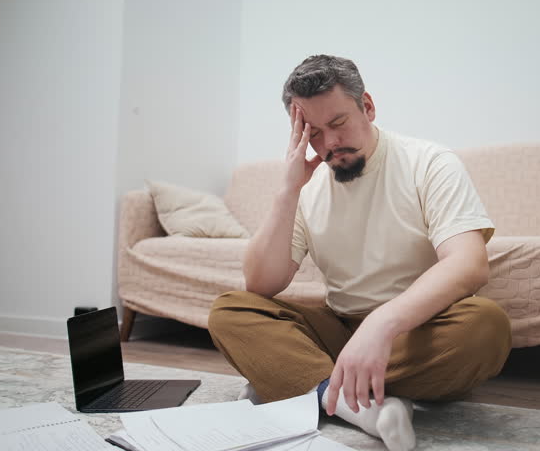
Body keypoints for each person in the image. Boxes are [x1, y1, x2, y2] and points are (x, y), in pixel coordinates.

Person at [208, 55, 511, 451]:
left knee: (486, 326)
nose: (329, 143)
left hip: (414, 332)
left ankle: (301, 383)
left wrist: (381, 325)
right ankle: (365, 408)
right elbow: (262, 283)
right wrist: (288, 190)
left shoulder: (430, 163)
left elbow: (469, 264)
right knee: (231, 311)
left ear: (367, 106)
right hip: (339, 330)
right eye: (313, 132)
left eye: (338, 123)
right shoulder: (307, 187)